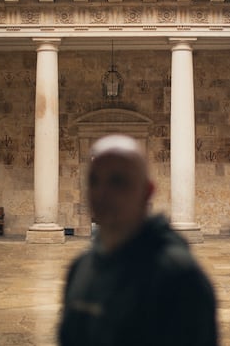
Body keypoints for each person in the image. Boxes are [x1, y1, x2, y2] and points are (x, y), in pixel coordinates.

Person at [58, 134, 218, 346]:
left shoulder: (180, 277)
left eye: (118, 181)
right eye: (94, 180)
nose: (102, 193)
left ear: (147, 190)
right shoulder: (80, 267)